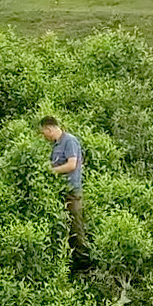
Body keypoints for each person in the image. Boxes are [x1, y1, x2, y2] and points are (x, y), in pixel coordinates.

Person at [41, 115, 89, 271]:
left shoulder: (69, 141)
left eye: (44, 132)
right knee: (66, 227)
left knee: (76, 226)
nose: (44, 136)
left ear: (50, 128)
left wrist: (51, 171)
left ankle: (83, 264)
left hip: (72, 192)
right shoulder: (56, 146)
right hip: (61, 192)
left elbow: (72, 164)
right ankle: (69, 262)